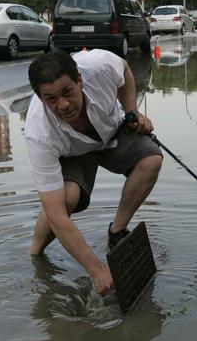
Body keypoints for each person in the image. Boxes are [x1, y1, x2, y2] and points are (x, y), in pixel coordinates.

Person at [24, 49, 163, 296]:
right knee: (66, 199)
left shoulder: (98, 66)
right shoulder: (39, 133)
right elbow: (56, 215)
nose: (63, 105)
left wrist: (131, 112)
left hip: (109, 132)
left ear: (80, 80)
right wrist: (96, 270)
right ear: (40, 97)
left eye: (67, 92)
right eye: (51, 99)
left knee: (151, 159)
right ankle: (35, 253)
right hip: (70, 153)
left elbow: (125, 70)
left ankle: (117, 232)